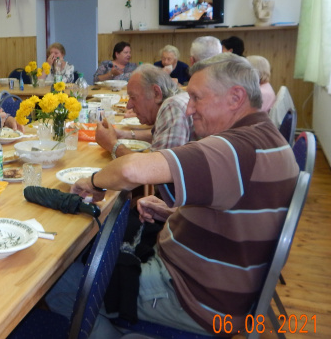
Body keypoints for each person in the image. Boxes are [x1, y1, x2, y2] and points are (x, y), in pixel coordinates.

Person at [65, 53, 299, 337]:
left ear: (236, 98)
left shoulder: (235, 150)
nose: (189, 110)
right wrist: (174, 214)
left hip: (191, 297)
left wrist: (93, 181)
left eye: (197, 98)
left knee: (63, 283)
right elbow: (239, 211)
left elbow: (130, 170)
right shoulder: (267, 136)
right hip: (222, 285)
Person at [95, 64, 195, 159]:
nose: (129, 105)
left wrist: (112, 144)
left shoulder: (172, 107)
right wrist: (121, 134)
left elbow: (155, 170)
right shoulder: (176, 100)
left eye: (133, 97)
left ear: (156, 93)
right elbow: (161, 135)